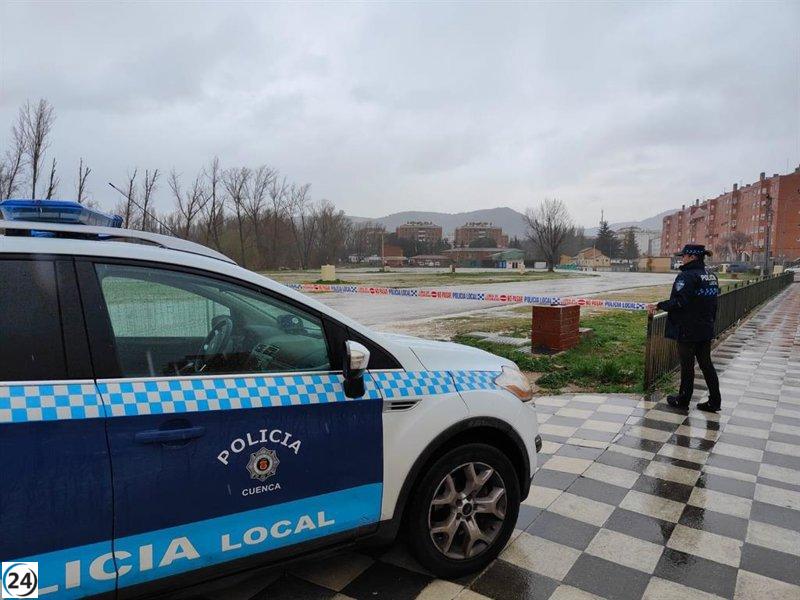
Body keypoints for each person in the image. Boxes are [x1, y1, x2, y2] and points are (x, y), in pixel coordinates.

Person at [648, 244, 721, 412]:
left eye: (684, 256)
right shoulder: (710, 276)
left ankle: (683, 399)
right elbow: (713, 303)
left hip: (687, 328)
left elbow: (680, 302)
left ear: (693, 257)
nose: (682, 258)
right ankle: (715, 401)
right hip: (705, 327)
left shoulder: (686, 277)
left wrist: (659, 305)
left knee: (687, 366)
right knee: (706, 364)